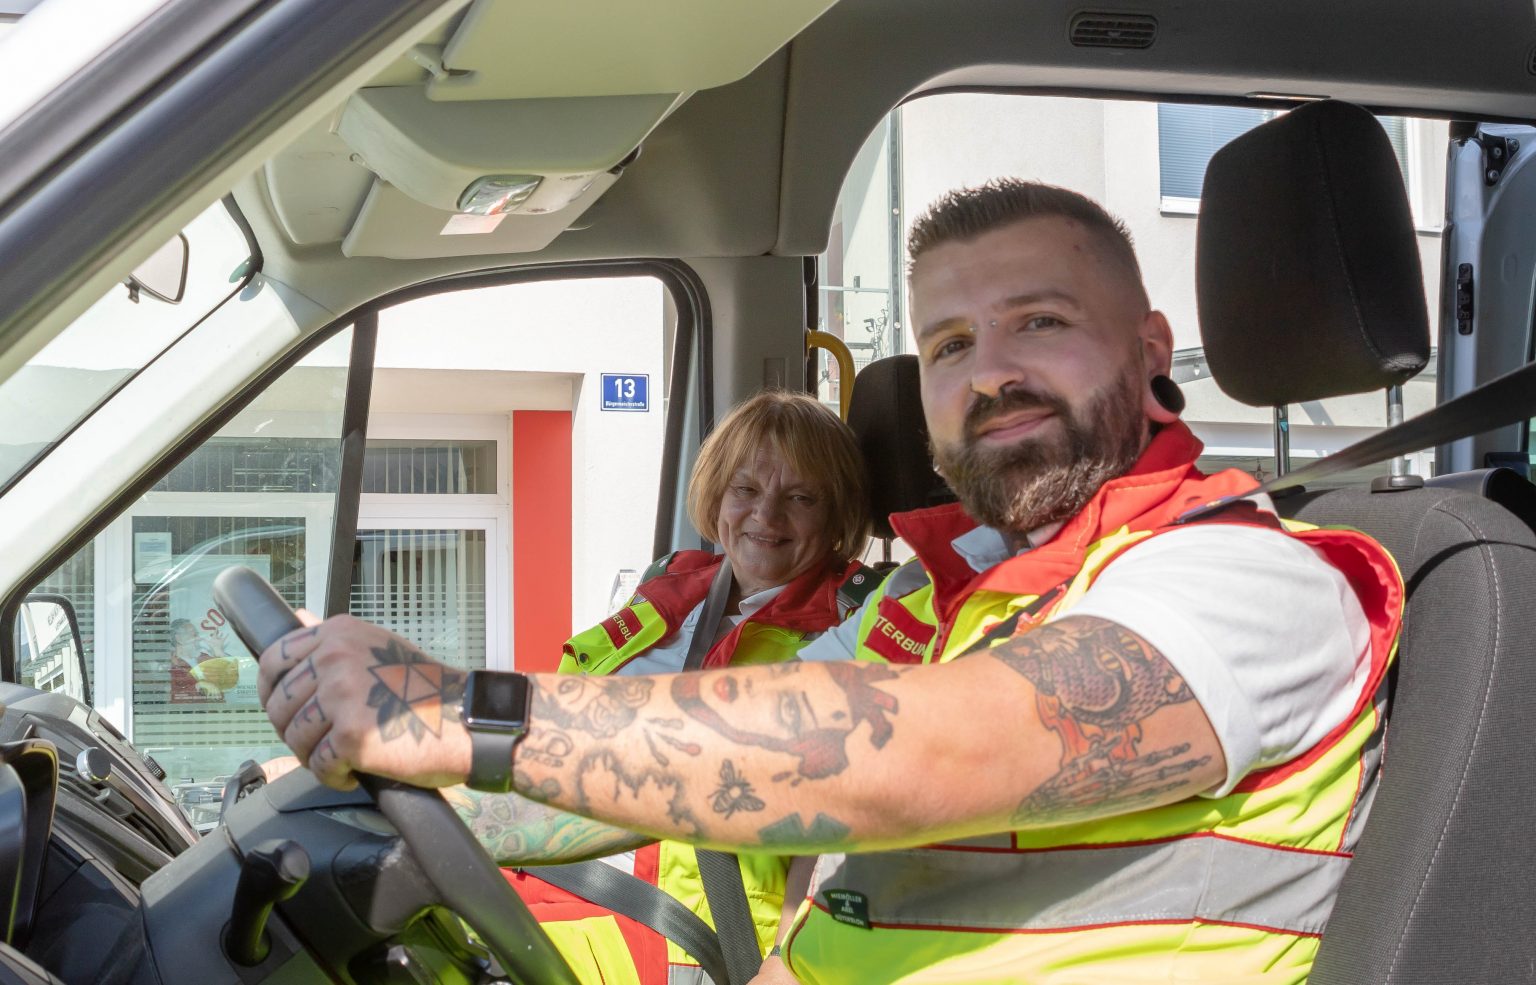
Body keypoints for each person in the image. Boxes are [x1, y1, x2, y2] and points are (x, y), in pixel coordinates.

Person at [259, 180, 1402, 984]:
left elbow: (904, 749)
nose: (990, 372)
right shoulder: (947, 595)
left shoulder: (1247, 576)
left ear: (1153, 347)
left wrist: (457, 710)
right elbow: (713, 737)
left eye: (1040, 324)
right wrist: (357, 781)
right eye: (949, 344)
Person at [426, 391, 878, 985]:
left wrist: (788, 964)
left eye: (799, 498)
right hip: (543, 874)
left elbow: (840, 824)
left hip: (672, 929)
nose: (765, 516)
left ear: (837, 514)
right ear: (717, 493)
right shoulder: (670, 590)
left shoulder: (856, 629)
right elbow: (558, 721)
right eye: (745, 489)